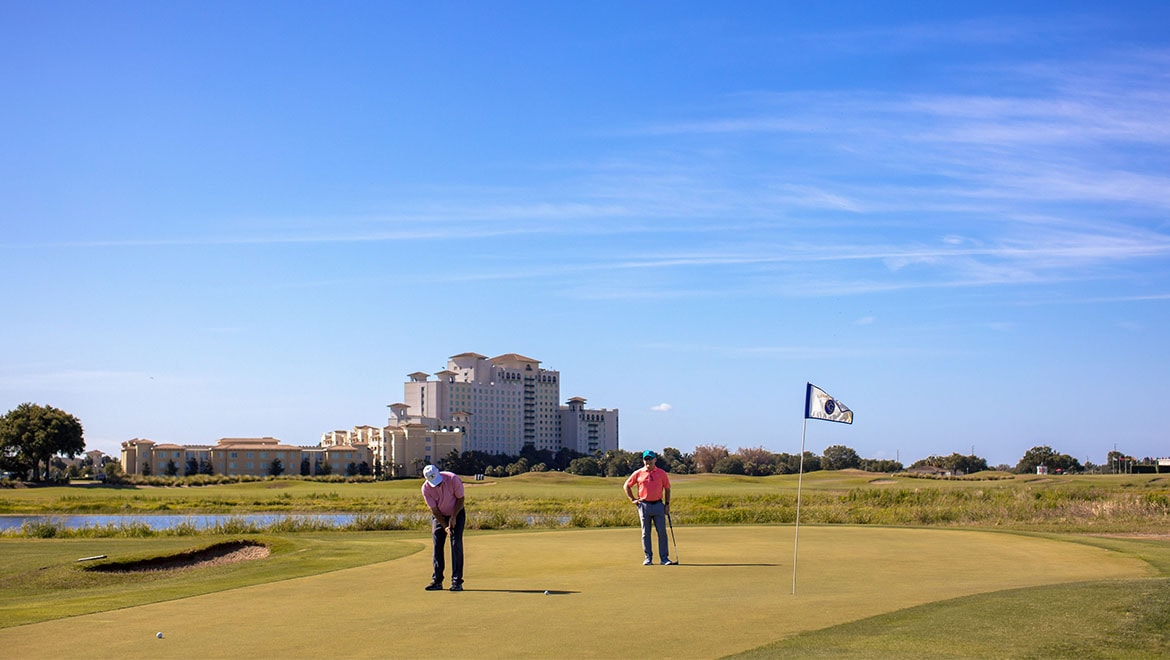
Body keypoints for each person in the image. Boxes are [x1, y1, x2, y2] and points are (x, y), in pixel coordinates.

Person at [623, 450, 674, 565]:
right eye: (646, 459)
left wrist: (667, 504)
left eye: (650, 459)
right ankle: (648, 558)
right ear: (643, 460)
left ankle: (664, 558)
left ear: (655, 460)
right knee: (646, 533)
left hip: (658, 505)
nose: (648, 461)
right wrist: (633, 500)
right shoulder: (639, 473)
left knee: (662, 532)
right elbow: (626, 486)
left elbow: (667, 488)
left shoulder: (661, 473)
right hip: (644, 505)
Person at [421, 464, 466, 591]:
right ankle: (437, 580)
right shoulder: (426, 489)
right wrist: (445, 525)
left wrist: (453, 517)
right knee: (437, 546)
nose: (438, 485)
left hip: (457, 512)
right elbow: (434, 509)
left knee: (456, 544)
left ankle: (456, 581)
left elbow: (461, 499)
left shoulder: (452, 479)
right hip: (439, 515)